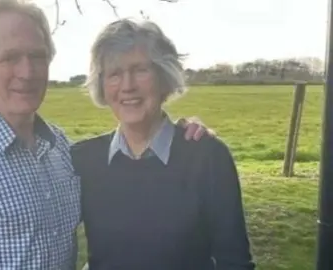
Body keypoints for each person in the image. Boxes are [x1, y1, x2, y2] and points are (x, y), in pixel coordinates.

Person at [0, 1, 213, 269]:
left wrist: (175, 133)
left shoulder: (64, 150)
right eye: (10, 58)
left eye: (37, 57)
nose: (27, 72)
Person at [71, 19, 255, 270]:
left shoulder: (207, 157)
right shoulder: (82, 160)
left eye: (140, 70)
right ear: (102, 86)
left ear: (164, 77)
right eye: (115, 74)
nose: (127, 86)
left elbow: (234, 262)